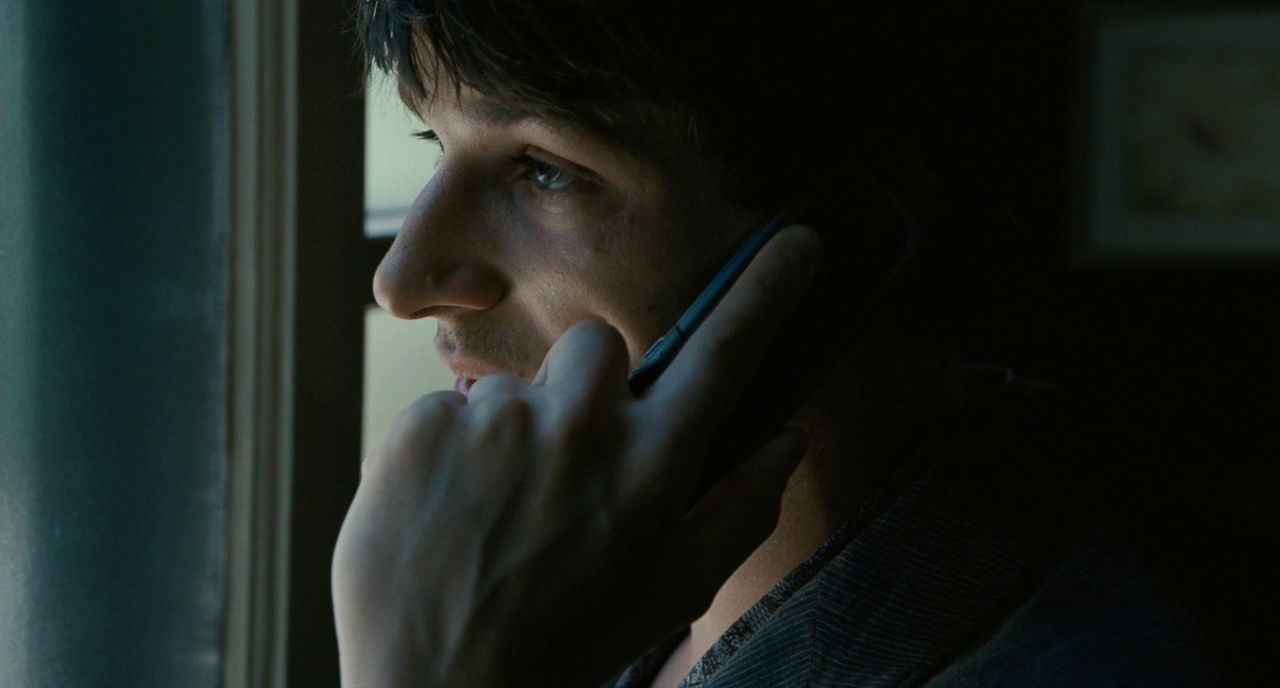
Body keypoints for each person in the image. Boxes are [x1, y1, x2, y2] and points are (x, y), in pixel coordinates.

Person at [332, 2, 1206, 686]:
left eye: (543, 169)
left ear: (848, 240)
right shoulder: (579, 587)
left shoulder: (1087, 662)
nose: (401, 279)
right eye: (432, 141)